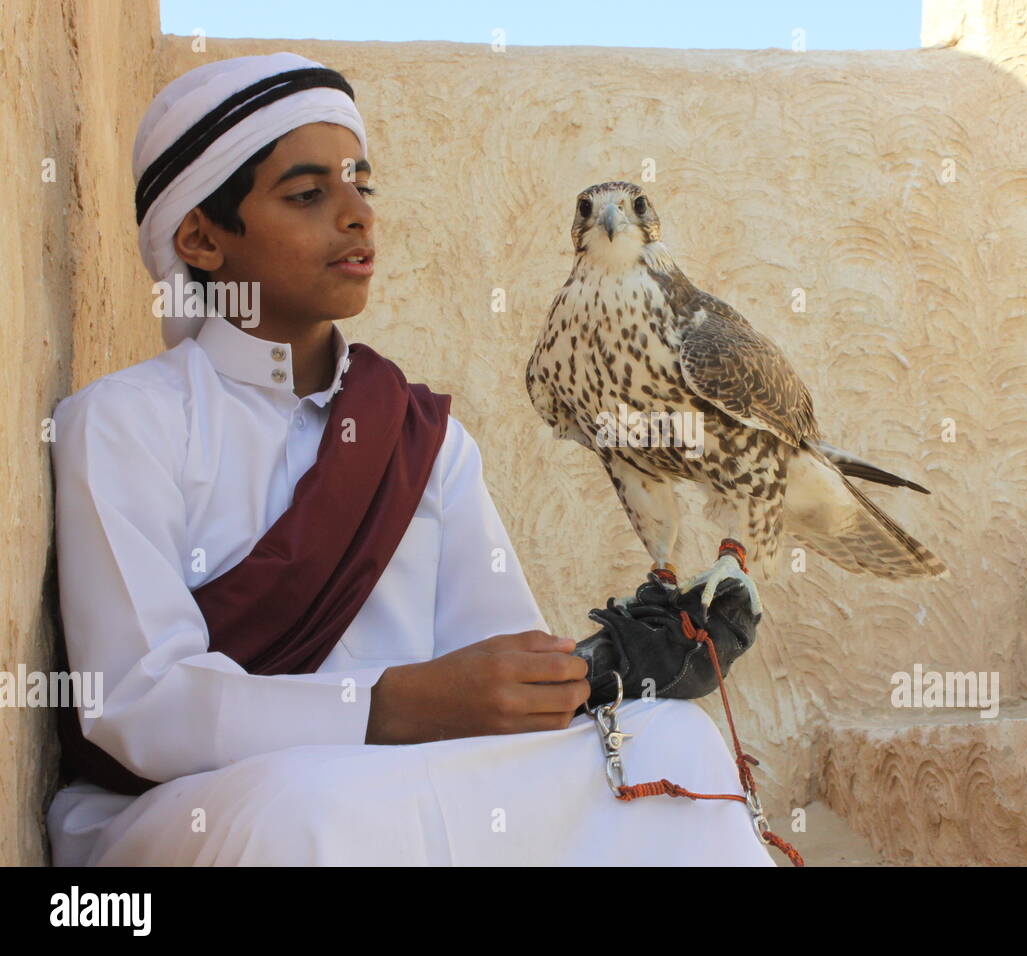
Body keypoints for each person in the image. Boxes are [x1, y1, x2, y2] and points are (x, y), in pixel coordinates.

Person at [46, 51, 776, 866]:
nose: (357, 214)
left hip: (405, 785)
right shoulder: (122, 423)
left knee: (671, 744)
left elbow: (497, 668)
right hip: (199, 805)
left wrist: (609, 669)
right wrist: (386, 706)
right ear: (202, 238)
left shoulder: (415, 434)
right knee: (311, 809)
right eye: (309, 194)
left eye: (363, 185)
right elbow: (140, 705)